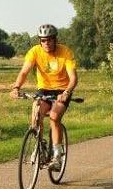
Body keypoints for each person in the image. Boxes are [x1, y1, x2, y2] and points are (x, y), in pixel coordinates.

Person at [10, 24, 78, 171]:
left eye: (49, 40)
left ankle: (57, 156)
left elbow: (73, 77)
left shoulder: (65, 52)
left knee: (54, 116)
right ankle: (39, 146)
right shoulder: (34, 51)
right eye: (43, 40)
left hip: (62, 91)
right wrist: (16, 87)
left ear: (55, 40)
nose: (46, 43)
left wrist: (66, 92)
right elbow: (24, 72)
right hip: (44, 90)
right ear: (40, 41)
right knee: (36, 114)